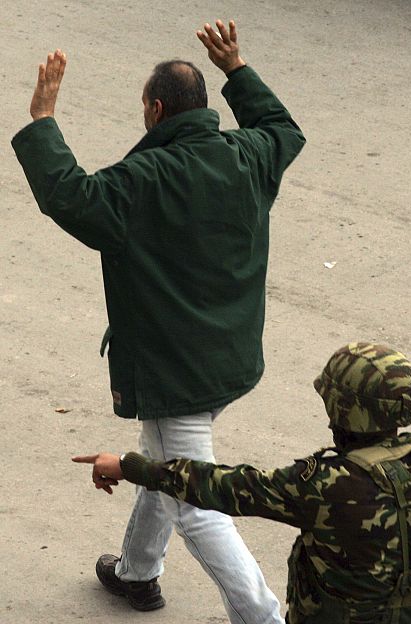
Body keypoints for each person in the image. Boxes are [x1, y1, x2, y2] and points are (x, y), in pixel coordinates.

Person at [12, 19, 305, 624]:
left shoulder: (140, 182)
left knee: (193, 495)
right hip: (231, 358)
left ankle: (263, 617)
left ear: (154, 109)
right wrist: (238, 69)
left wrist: (43, 120)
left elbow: (69, 196)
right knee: (163, 460)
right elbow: (282, 129)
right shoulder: (247, 156)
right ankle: (137, 574)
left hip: (176, 372)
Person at [74, 342, 411, 624]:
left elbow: (220, 486)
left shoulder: (327, 481)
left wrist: (131, 466)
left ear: (343, 409)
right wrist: (409, 588)